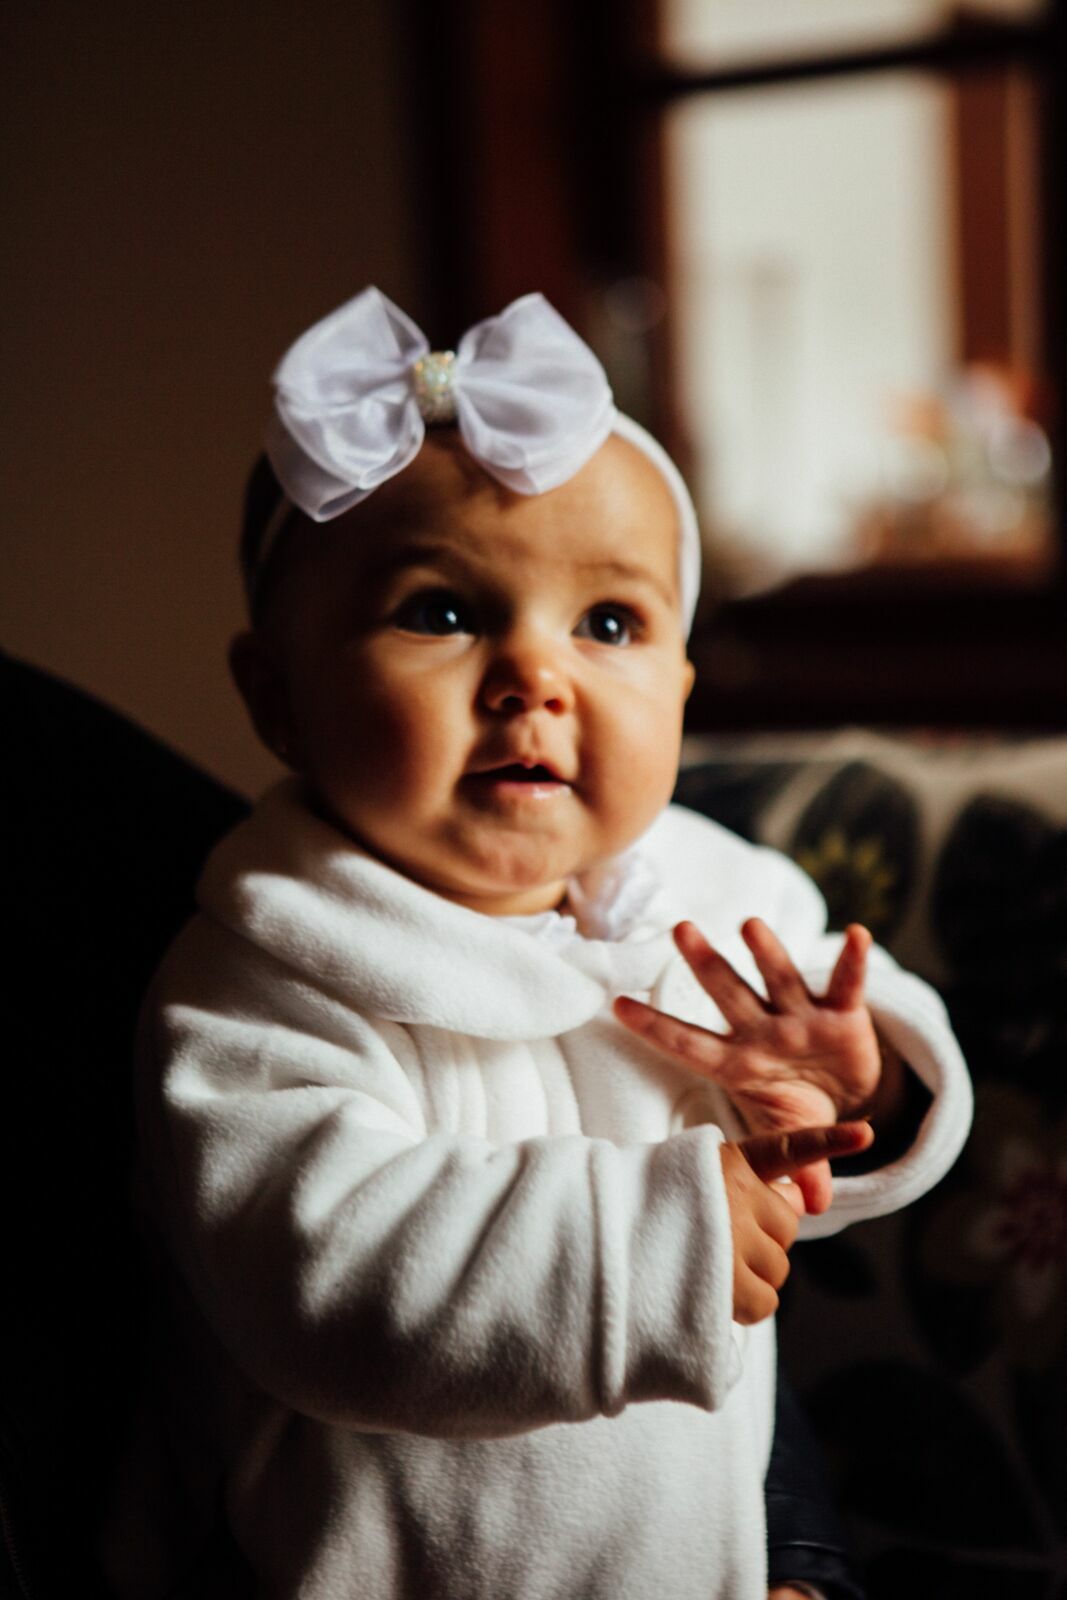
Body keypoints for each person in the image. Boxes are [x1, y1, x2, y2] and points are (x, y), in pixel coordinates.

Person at [105, 289, 971, 1599]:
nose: (534, 673)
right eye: (440, 613)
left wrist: (864, 1083)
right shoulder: (265, 975)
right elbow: (320, 1276)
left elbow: (848, 1128)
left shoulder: (713, 892)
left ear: (680, 688)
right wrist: (657, 1245)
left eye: (610, 624)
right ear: (276, 696)